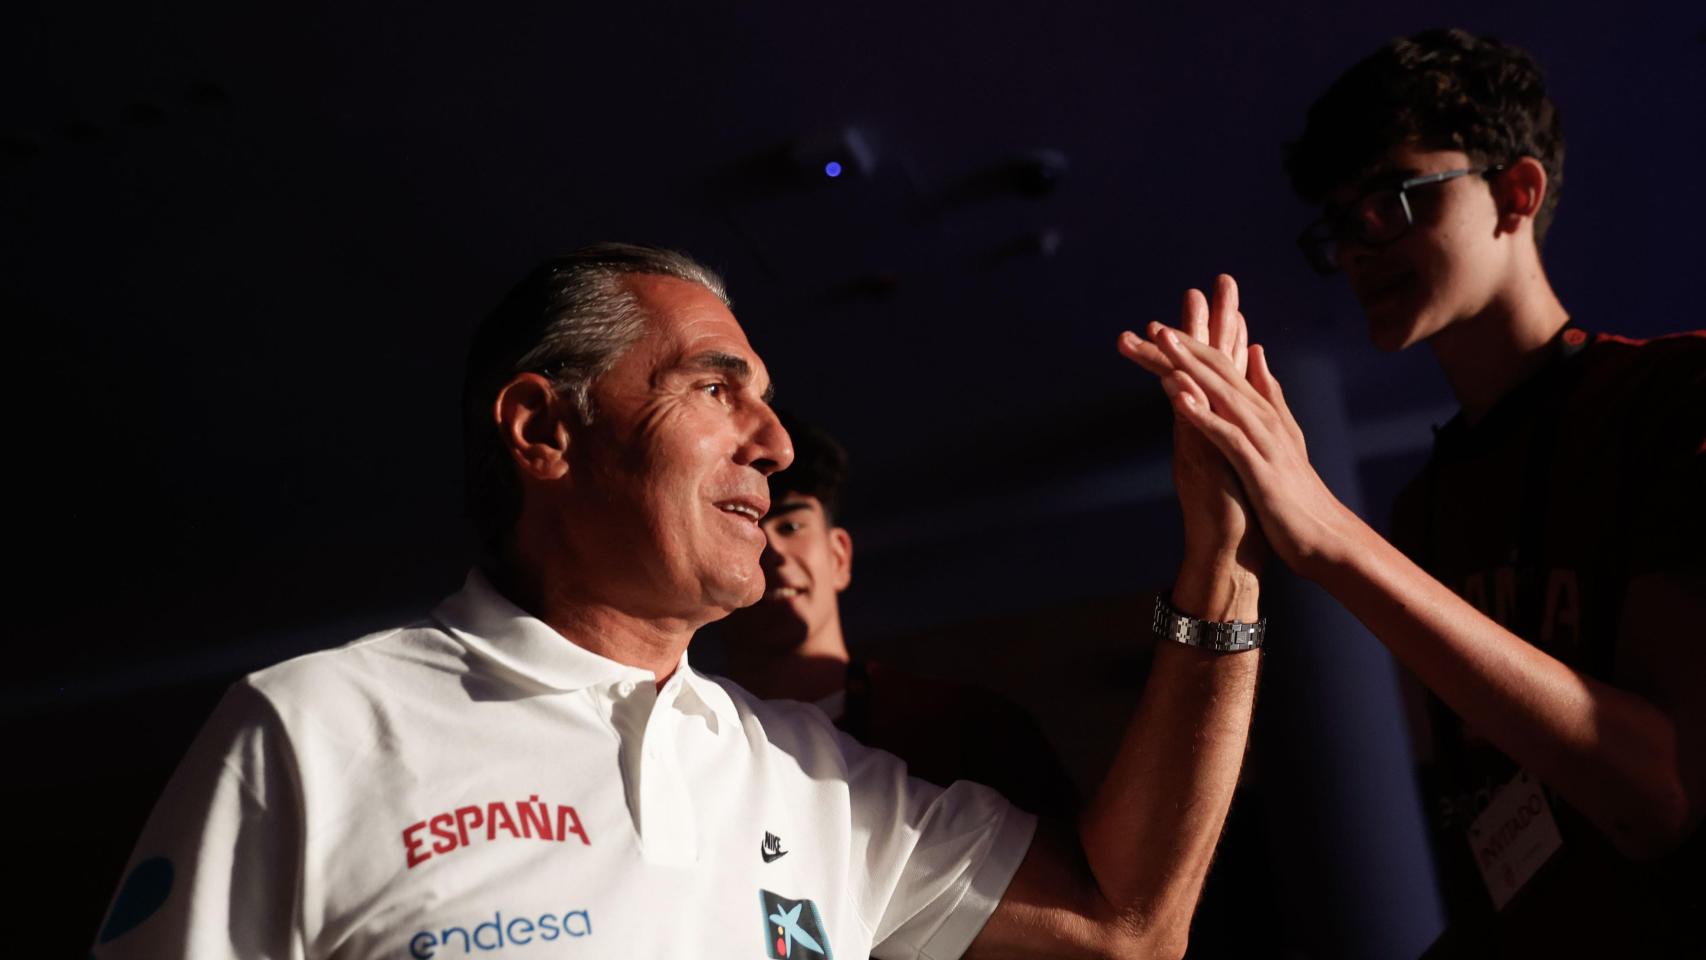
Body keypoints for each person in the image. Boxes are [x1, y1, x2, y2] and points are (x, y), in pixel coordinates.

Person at [94, 242, 1267, 959]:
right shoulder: (315, 729)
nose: (771, 441)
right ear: (544, 430)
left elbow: (1125, 930)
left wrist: (1218, 559)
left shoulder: (812, 780)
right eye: (716, 388)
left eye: (765, 402)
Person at [1121, 28, 1704, 958]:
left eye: (1393, 198)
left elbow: (1658, 796)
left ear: (1517, 192)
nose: (1357, 247)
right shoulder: (1429, 508)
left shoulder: (1674, 397)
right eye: (1339, 220)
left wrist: (1326, 533)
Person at [718, 413, 1079, 819]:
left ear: (839, 556)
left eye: (793, 525)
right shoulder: (694, 746)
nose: (775, 552)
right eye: (748, 527)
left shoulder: (966, 727)